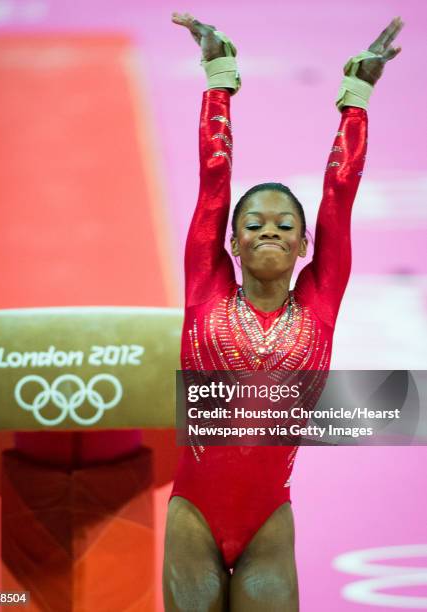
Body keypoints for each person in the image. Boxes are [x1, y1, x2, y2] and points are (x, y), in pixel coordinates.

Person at [163, 13, 403, 611]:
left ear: (304, 245)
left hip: (269, 519)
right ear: (232, 243)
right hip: (194, 514)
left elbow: (340, 194)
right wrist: (218, 79)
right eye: (253, 224)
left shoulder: (320, 303)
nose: (268, 230)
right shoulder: (207, 287)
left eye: (285, 225)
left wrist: (357, 98)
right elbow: (213, 181)